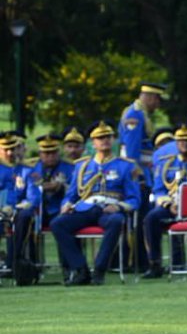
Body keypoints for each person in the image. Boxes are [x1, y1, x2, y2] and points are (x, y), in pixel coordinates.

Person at [49, 121, 141, 286]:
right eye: (100, 138)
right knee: (57, 224)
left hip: (109, 209)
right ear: (93, 143)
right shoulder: (82, 166)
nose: (104, 140)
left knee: (116, 221)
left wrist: (119, 207)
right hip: (85, 208)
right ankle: (80, 269)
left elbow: (134, 199)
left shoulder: (126, 166)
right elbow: (71, 194)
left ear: (113, 140)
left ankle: (99, 270)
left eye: (108, 137)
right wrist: (66, 204)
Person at [141, 125, 187, 278]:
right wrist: (168, 204)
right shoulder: (166, 164)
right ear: (176, 143)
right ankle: (155, 264)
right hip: (172, 206)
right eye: (181, 141)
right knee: (151, 218)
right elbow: (158, 190)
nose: (185, 144)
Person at [10, 134, 72, 276]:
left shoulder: (69, 167)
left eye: (53, 152)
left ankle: (68, 268)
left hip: (59, 210)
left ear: (59, 152)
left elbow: (75, 189)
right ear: (40, 153)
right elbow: (24, 190)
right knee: (26, 222)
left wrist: (61, 187)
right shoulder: (30, 167)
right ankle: (29, 267)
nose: (50, 156)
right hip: (37, 210)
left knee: (63, 224)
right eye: (46, 153)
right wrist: (43, 187)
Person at [119, 82, 167, 170]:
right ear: (152, 98)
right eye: (158, 100)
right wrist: (133, 167)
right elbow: (132, 144)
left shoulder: (141, 113)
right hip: (138, 167)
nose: (158, 105)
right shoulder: (135, 114)